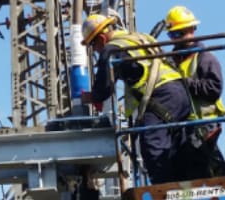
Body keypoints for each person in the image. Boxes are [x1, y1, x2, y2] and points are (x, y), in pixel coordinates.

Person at [80, 14, 193, 184]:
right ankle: (185, 185)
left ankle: (162, 190)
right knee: (177, 145)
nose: (95, 50)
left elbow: (102, 90)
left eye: (93, 45)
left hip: (161, 96)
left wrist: (90, 96)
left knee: (152, 143)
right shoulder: (139, 38)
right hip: (181, 92)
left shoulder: (111, 49)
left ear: (102, 38)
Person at [164, 5, 225, 178]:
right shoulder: (169, 61)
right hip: (181, 125)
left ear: (192, 29)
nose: (175, 39)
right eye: (172, 34)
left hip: (204, 123)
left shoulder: (205, 58)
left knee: (204, 164)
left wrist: (183, 84)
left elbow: (214, 89)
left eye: (179, 33)